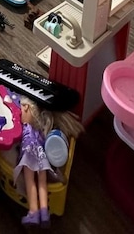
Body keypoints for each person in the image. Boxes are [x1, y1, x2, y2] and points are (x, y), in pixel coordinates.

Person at [13, 97, 84, 229]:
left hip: (29, 154)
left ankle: (33, 212)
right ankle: (44, 212)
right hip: (42, 156)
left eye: (21, 110)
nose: (20, 114)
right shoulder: (41, 131)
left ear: (27, 108)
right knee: (42, 181)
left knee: (30, 181)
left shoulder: (27, 128)